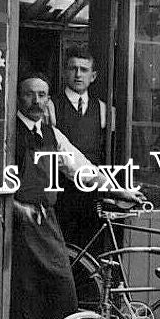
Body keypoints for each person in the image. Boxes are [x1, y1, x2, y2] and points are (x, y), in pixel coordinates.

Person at [10, 74, 142, 319]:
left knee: (60, 282)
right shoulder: (9, 131)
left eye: (42, 95)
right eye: (30, 94)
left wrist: (117, 191)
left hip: (44, 218)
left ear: (48, 99)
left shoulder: (52, 135)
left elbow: (80, 168)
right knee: (19, 285)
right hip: (14, 218)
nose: (36, 101)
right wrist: (14, 206)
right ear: (19, 97)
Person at [49, 47, 108, 252]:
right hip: (62, 192)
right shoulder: (51, 106)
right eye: (73, 68)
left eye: (84, 70)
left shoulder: (103, 109)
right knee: (63, 248)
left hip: (92, 193)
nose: (78, 74)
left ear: (93, 76)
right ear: (65, 72)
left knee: (90, 249)